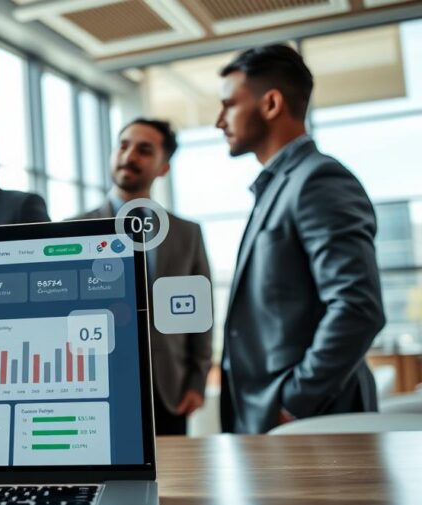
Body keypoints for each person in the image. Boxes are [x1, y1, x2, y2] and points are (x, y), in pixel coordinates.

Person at [216, 45, 385, 433]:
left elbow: (357, 307)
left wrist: (294, 403)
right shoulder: (280, 186)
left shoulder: (318, 181)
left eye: (228, 105)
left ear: (271, 103)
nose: (218, 121)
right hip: (280, 421)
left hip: (314, 421)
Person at [75, 118, 211, 436]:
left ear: (163, 167)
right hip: (99, 389)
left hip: (169, 390)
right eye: (123, 145)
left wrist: (197, 380)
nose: (129, 155)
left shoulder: (186, 233)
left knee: (173, 482)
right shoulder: (74, 228)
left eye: (144, 150)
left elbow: (199, 315)